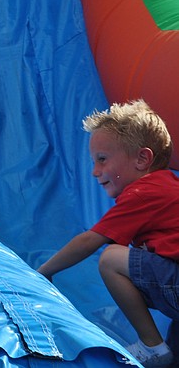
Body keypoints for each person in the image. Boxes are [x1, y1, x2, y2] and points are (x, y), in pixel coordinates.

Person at [37, 99, 179, 367]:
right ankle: (162, 352)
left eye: (102, 160)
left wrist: (44, 271)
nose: (94, 171)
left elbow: (90, 240)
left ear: (142, 159)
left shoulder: (145, 191)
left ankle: (151, 345)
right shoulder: (168, 186)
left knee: (112, 259)